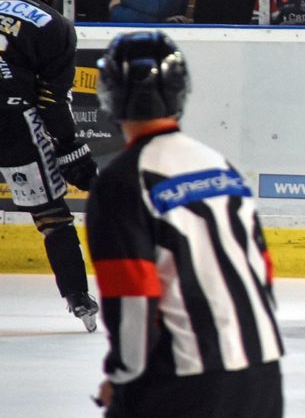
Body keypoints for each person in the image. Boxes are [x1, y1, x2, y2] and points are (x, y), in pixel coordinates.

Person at [86, 31, 283, 418]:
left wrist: (122, 378)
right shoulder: (218, 165)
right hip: (261, 371)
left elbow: (132, 297)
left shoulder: (121, 182)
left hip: (184, 380)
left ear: (110, 95)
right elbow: (262, 270)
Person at [0, 0, 99, 331]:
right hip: (14, 121)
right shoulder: (55, 25)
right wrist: (72, 149)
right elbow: (50, 101)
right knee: (52, 216)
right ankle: (78, 299)